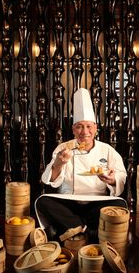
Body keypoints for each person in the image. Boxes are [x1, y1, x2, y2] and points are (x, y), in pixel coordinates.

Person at [35, 88, 127, 242]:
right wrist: (58, 163)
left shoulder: (107, 150)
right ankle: (86, 228)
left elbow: (120, 175)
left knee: (119, 204)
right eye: (79, 126)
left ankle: (70, 227)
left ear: (96, 128)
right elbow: (49, 180)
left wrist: (112, 180)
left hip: (96, 202)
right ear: (73, 130)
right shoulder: (63, 148)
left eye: (89, 126)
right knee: (43, 201)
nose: (85, 132)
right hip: (68, 202)